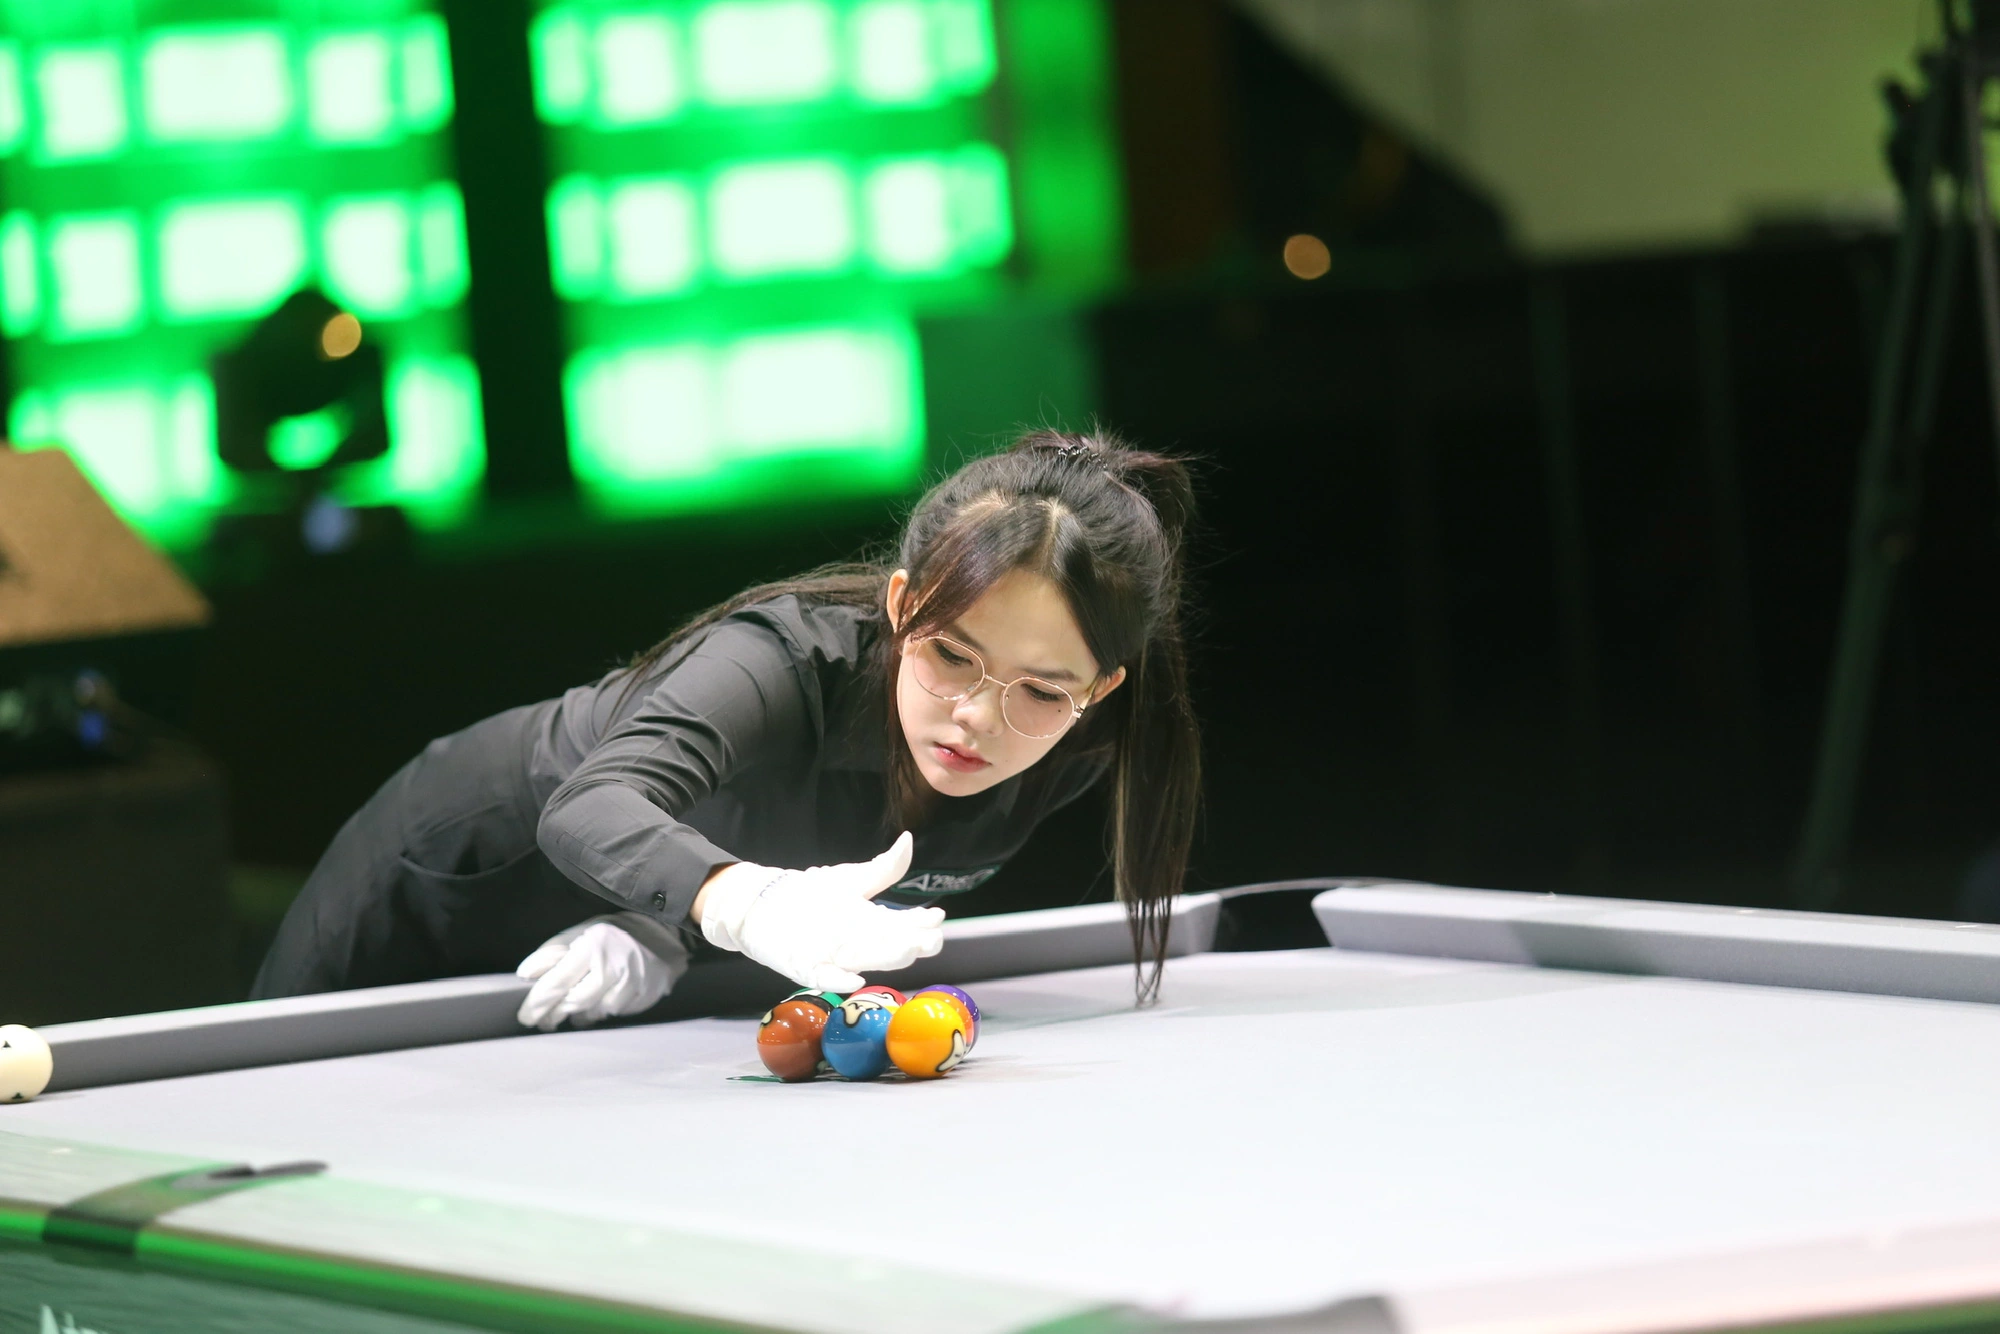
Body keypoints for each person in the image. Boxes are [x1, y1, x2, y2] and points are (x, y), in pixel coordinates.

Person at [251, 429, 1201, 1029]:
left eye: (1040, 690)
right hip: (457, 873)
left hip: (650, 926)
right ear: (903, 604)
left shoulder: (1075, 741)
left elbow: (809, 846)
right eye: (952, 654)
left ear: (1100, 687)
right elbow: (594, 805)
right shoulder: (779, 660)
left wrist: (668, 933)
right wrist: (738, 909)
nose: (978, 716)